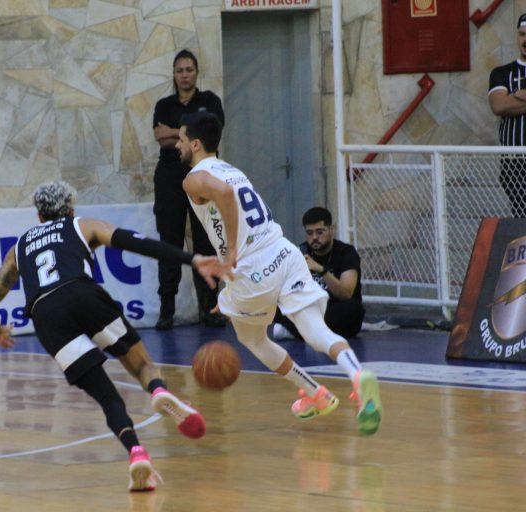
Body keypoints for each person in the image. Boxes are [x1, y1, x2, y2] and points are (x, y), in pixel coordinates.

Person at [0, 181, 227, 491]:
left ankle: (137, 454)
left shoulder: (19, 248)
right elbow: (135, 242)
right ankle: (158, 390)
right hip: (83, 295)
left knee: (108, 398)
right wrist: (192, 259)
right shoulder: (82, 225)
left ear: (39, 215)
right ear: (70, 209)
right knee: (142, 365)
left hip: (46, 317)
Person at [177, 112, 383, 436]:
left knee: (253, 339)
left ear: (195, 143)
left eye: (180, 139)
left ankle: (316, 393)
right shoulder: (230, 169)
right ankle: (357, 374)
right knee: (316, 330)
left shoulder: (193, 178)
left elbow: (225, 196)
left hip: (251, 267)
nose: (177, 144)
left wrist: (230, 254)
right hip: (284, 251)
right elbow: (231, 196)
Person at [152, 49, 227, 330]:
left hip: (204, 176)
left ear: (196, 72)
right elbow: (160, 138)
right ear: (174, 74)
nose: (185, 75)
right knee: (169, 244)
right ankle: (166, 311)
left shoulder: (210, 101)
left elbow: (213, 133)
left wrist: (175, 131)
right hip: (169, 179)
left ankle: (210, 309)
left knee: (205, 242)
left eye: (189, 69)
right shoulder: (164, 105)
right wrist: (191, 129)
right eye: (180, 70)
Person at [272, 206, 365, 340]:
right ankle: (310, 331)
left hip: (335, 309)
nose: (314, 237)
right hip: (311, 308)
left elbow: (346, 294)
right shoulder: (300, 252)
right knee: (275, 304)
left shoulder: (346, 253)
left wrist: (321, 270)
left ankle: (297, 331)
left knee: (353, 308)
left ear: (331, 230)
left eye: (319, 232)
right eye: (309, 233)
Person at [488, 13, 526, 218]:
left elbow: (507, 102)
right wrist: (510, 99)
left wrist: (517, 94)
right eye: (522, 34)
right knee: (521, 218)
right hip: (514, 163)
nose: (525, 40)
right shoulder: (501, 73)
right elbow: (498, 105)